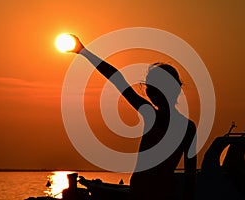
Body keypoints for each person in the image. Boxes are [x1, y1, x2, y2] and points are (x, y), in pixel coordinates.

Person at [70, 35, 197, 200]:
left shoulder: (158, 117)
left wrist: (84, 52)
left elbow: (117, 79)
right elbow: (190, 178)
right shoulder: (186, 126)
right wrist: (84, 52)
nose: (150, 92)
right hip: (153, 192)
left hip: (149, 193)